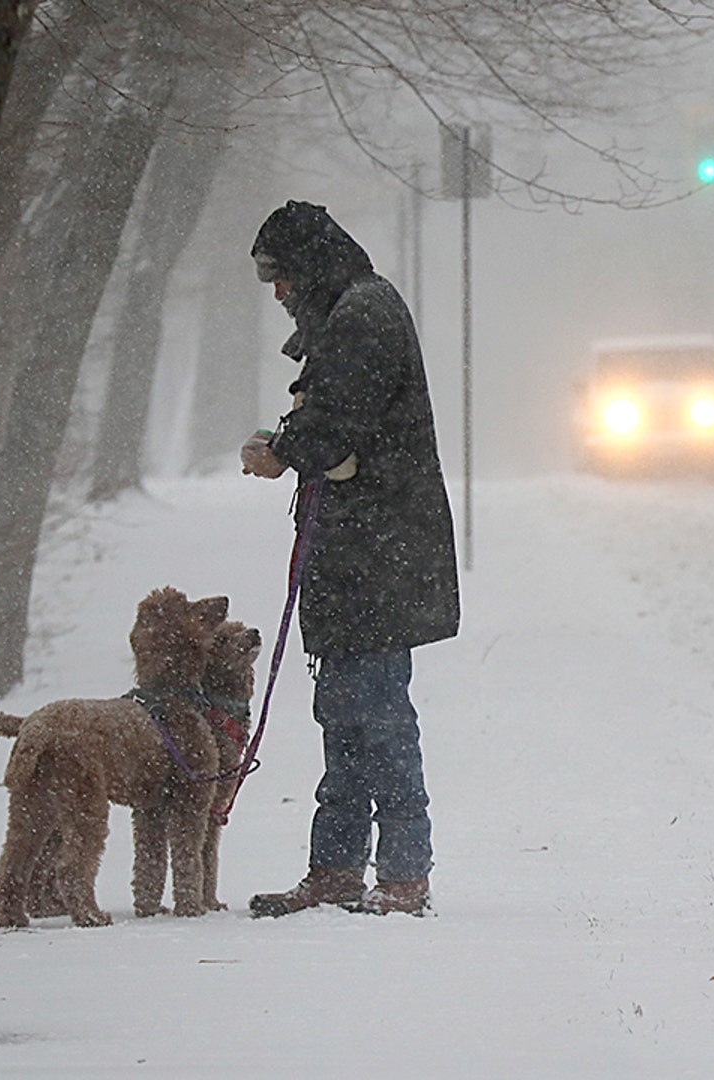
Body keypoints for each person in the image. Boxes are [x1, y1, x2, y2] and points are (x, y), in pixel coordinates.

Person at [238, 200, 460, 917]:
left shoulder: (360, 316)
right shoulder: (353, 309)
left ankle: (401, 874)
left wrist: (283, 452)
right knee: (345, 710)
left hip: (379, 552)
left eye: (279, 274)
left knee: (376, 715)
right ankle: (336, 868)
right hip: (364, 551)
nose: (275, 291)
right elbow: (337, 418)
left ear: (308, 264)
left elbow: (336, 424)